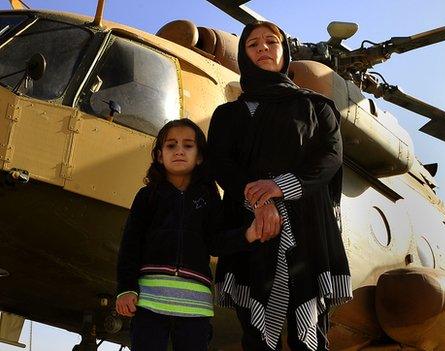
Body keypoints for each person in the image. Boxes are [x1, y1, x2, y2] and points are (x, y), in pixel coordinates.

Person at [207, 21, 352, 351]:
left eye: (271, 42)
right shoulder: (228, 114)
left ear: (285, 51)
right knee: (256, 337)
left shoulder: (317, 107)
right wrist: (259, 200)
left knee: (310, 337)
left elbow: (330, 158)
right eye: (252, 44)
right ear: (244, 56)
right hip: (249, 231)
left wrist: (280, 187)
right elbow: (221, 164)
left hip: (309, 232)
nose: (262, 48)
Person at [115, 118, 260, 351]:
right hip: (150, 302)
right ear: (160, 155)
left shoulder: (211, 199)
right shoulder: (147, 196)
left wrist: (248, 234)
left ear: (200, 156)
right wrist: (126, 288)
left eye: (188, 145)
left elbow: (215, 243)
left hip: (195, 307)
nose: (179, 151)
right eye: (171, 145)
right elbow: (130, 244)